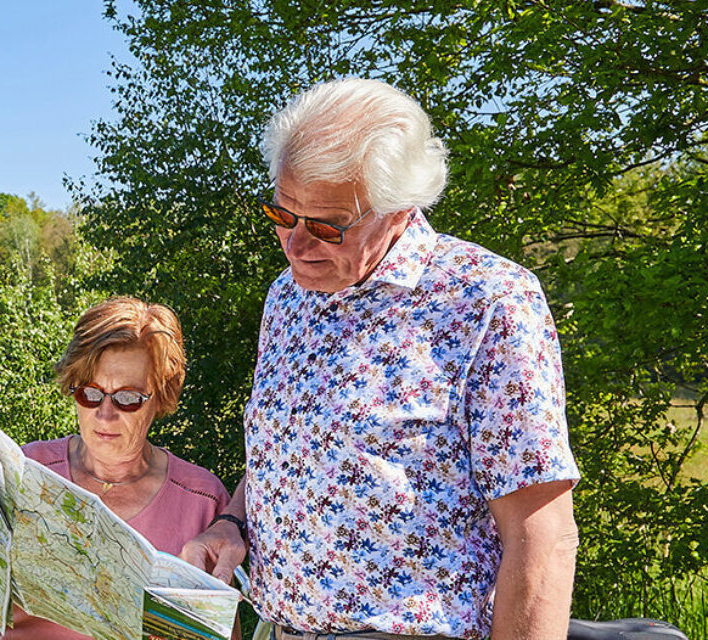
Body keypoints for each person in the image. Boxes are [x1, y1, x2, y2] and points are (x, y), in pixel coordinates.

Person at [178, 78, 581, 640]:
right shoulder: (288, 294)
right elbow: (295, 446)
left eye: (325, 226)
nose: (296, 245)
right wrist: (232, 522)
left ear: (398, 211)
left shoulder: (486, 300)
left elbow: (542, 534)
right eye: (282, 214)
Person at [0, 297, 230, 638]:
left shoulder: (202, 499)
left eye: (127, 398)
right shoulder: (23, 474)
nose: (105, 415)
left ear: (161, 397)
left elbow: (224, 630)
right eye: (90, 394)